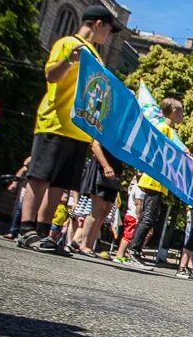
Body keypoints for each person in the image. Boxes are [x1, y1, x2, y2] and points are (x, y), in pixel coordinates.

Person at [16, 5, 121, 253]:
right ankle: (26, 228)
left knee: (60, 185)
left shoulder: (96, 56)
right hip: (55, 121)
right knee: (40, 177)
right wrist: (69, 59)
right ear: (98, 24)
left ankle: (43, 231)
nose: (109, 35)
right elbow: (51, 75)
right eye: (109, 28)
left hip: (78, 129)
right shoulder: (67, 43)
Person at [123, 97, 183, 268]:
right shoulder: (163, 128)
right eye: (182, 111)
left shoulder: (170, 131)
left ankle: (135, 251)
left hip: (158, 180)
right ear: (174, 112)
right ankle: (133, 251)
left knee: (150, 216)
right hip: (153, 179)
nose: (183, 115)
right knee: (148, 217)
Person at [72, 140, 122, 256]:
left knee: (105, 211)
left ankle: (80, 243)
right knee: (97, 210)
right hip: (102, 168)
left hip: (115, 170)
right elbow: (95, 145)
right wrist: (105, 166)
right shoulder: (109, 123)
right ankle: (84, 245)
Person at [114, 177, 144, 263]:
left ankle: (121, 255)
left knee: (126, 235)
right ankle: (119, 255)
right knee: (128, 236)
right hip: (133, 215)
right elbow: (138, 203)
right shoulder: (139, 188)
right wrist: (139, 217)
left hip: (129, 214)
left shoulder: (133, 186)